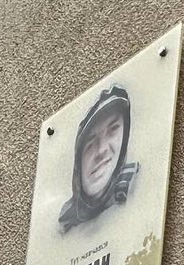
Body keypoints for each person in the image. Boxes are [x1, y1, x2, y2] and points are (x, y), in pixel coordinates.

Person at [57, 84, 139, 233]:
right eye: (91, 141)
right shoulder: (64, 224)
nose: (101, 150)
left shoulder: (136, 186)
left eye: (113, 129)